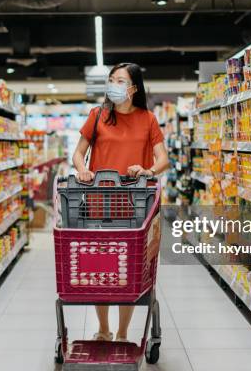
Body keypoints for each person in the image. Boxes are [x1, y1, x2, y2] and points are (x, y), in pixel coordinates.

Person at [72, 62, 169, 342]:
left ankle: (124, 332)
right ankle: (103, 328)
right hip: (98, 203)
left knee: (129, 271)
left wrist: (148, 170)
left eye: (120, 81)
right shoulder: (97, 115)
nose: (113, 85)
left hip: (135, 205)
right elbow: (78, 153)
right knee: (99, 268)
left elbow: (163, 159)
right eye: (111, 80)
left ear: (133, 88)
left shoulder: (148, 118)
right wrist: (82, 170)